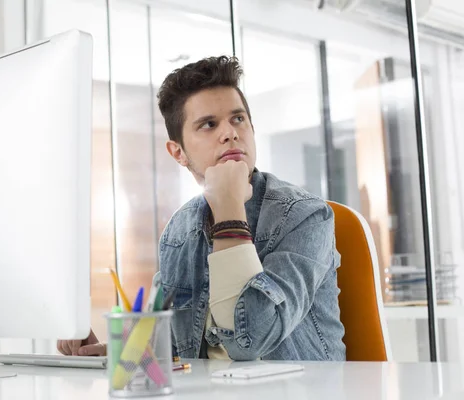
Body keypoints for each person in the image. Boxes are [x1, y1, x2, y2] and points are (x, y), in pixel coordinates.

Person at [58, 56, 346, 361]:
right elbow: (169, 342)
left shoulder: (304, 216)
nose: (230, 133)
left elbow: (249, 341)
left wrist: (229, 209)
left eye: (238, 119)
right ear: (178, 152)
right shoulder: (179, 230)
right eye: (209, 124)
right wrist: (108, 350)